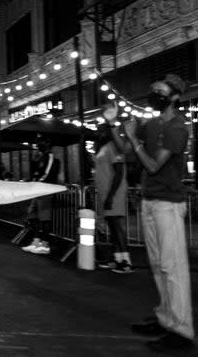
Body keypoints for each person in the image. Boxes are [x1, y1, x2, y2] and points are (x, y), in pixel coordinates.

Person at [105, 74, 193, 351]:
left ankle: (182, 330)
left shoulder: (178, 127)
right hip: (150, 201)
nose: (154, 94)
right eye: (152, 89)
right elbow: (125, 151)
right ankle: (165, 317)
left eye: (160, 91)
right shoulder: (151, 124)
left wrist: (134, 138)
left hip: (168, 203)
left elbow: (154, 165)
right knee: (158, 265)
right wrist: (112, 124)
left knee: (173, 267)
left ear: (174, 96)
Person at [93, 122, 132, 274]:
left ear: (109, 132)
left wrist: (110, 195)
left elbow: (119, 171)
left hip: (113, 193)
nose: (97, 133)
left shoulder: (114, 146)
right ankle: (117, 259)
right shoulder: (104, 147)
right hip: (106, 193)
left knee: (116, 226)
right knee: (113, 227)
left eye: (100, 130)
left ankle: (126, 262)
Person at [21, 136, 60, 255]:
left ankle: (45, 244)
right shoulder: (41, 157)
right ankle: (36, 241)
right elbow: (36, 173)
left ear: (47, 144)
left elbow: (46, 174)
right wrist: (34, 162)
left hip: (45, 191)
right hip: (38, 190)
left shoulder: (51, 157)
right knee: (33, 216)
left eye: (40, 142)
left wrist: (36, 182)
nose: (37, 145)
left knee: (44, 218)